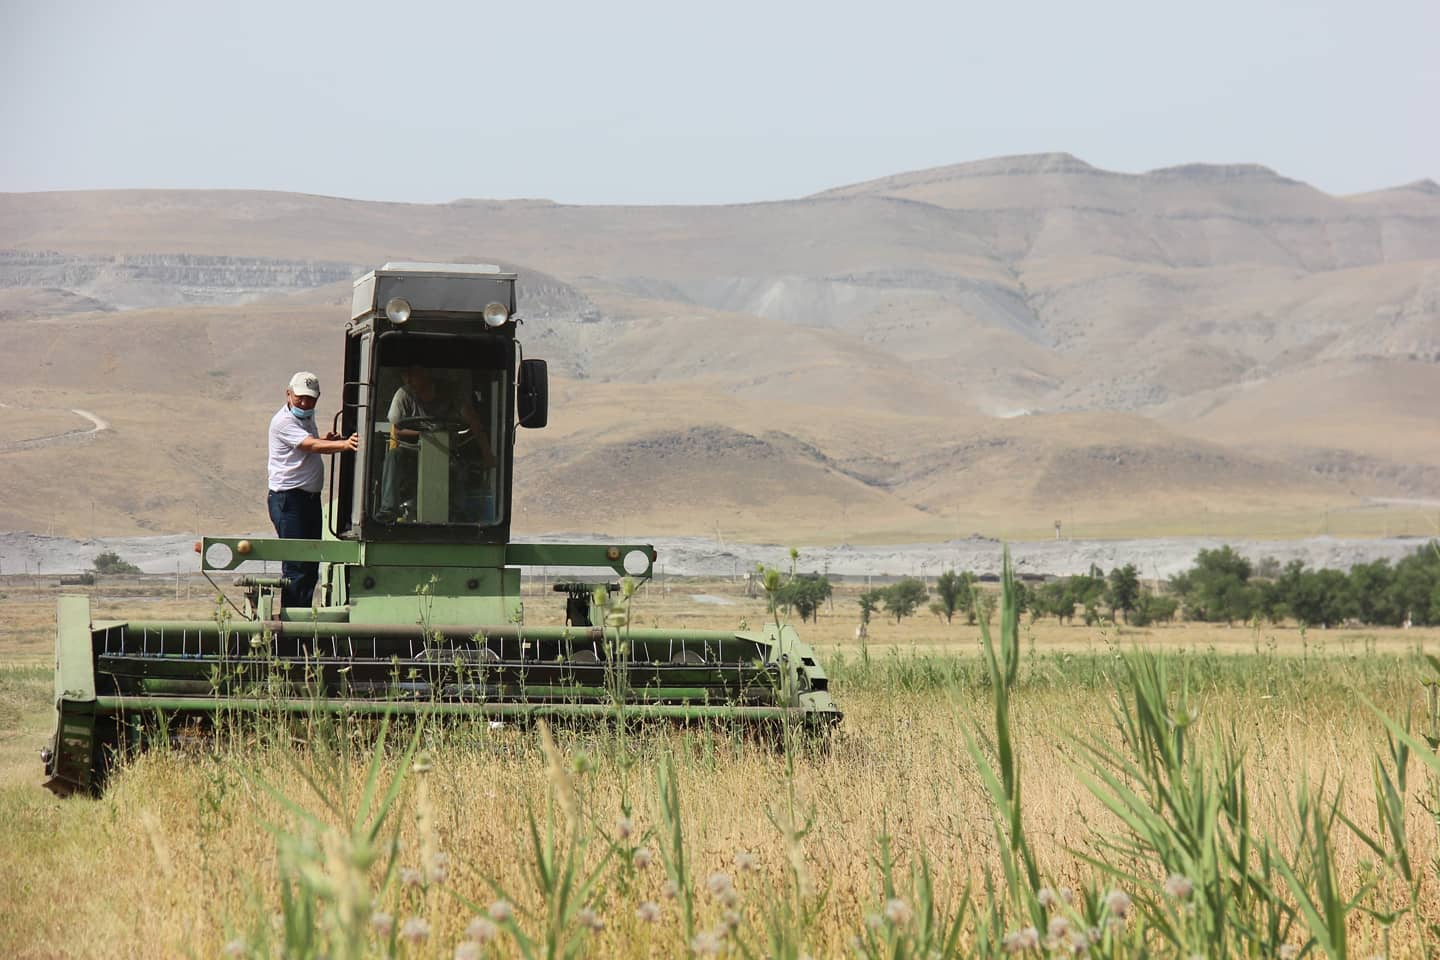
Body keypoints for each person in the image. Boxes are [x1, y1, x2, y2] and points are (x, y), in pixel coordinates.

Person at [267, 371, 357, 607]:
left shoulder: (306, 417)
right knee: (296, 564)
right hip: (289, 499)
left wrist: (329, 439)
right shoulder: (283, 421)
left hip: (308, 499)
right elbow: (310, 445)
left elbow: (312, 442)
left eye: (311, 399)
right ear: (288, 394)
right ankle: (293, 627)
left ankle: (303, 616)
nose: (305, 403)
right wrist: (344, 445)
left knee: (310, 562)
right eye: (300, 398)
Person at [380, 367, 494, 520]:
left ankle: (456, 514)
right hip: (413, 452)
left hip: (447, 453)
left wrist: (487, 454)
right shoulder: (404, 395)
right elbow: (397, 429)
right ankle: (388, 510)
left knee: (458, 468)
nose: (408, 380)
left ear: (426, 372)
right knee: (394, 456)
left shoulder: (451, 394)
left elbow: (474, 422)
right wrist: (426, 434)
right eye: (405, 376)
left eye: (412, 374)